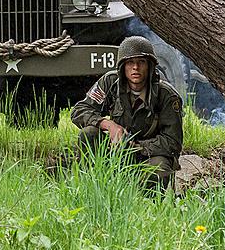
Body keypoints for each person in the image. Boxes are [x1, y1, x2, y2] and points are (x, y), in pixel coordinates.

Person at [71, 35, 183, 189]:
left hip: (148, 155)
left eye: (141, 62)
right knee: (88, 133)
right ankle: (92, 188)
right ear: (122, 67)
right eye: (130, 62)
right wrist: (109, 125)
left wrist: (136, 147)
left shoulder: (166, 95)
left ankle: (147, 205)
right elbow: (79, 111)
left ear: (150, 66)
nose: (135, 68)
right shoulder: (110, 83)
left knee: (160, 171)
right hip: (115, 150)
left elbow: (173, 142)